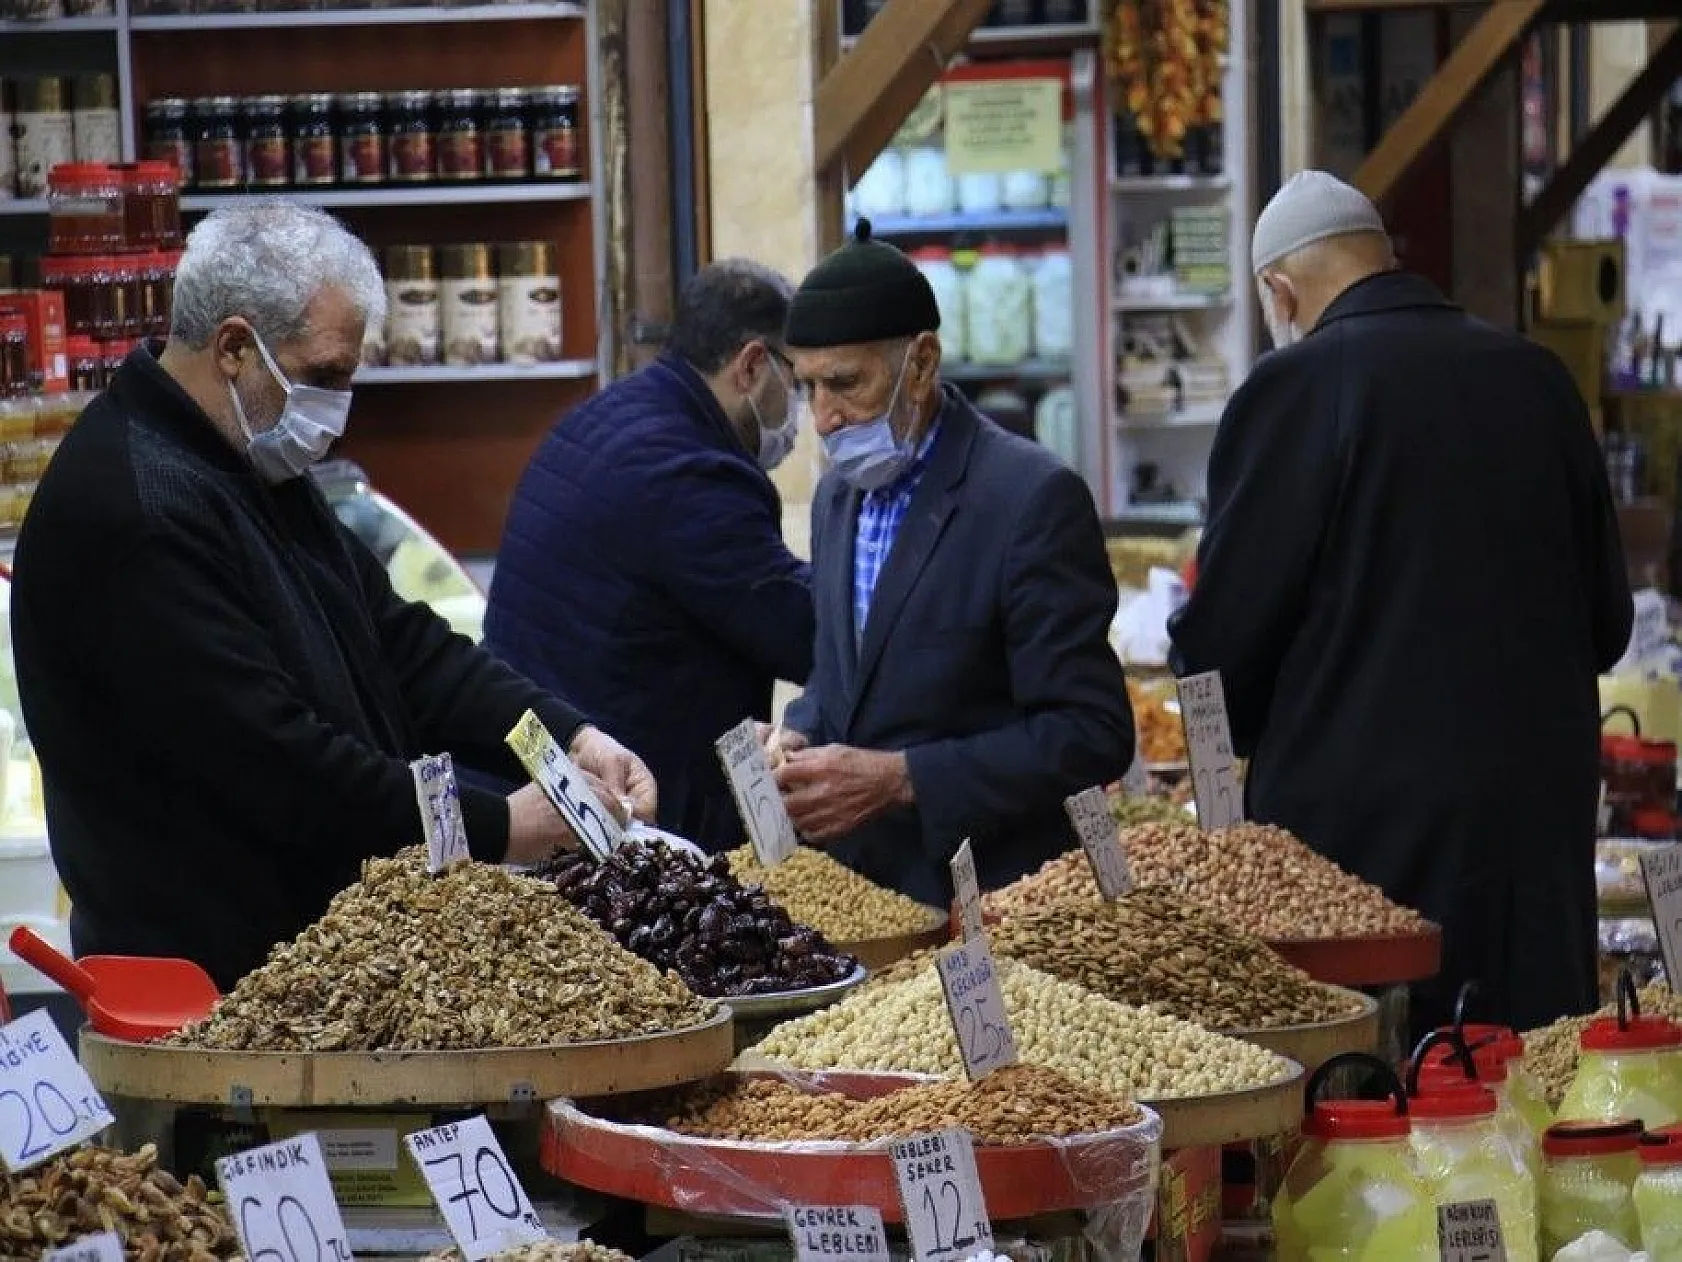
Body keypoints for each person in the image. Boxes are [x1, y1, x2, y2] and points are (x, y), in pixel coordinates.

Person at [11, 201, 655, 990]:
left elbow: (400, 644)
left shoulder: (246, 459)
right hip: (216, 987)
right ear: (235, 349)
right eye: (323, 376)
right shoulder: (138, 508)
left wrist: (564, 738)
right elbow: (280, 767)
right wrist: (499, 826)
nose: (338, 409)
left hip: (324, 958)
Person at [1168, 171, 1633, 1035]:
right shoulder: (1539, 379)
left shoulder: (1294, 390)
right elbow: (1610, 624)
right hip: (1534, 845)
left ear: (1279, 291)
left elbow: (1223, 650)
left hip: (1363, 864)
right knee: (1530, 1084)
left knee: (1388, 1091)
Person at [771, 220, 1135, 906]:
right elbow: (845, 673)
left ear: (922, 363)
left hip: (990, 901)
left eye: (846, 384)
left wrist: (905, 778)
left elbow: (1092, 733)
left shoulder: (1029, 498)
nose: (824, 418)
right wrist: (802, 730)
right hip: (866, 899)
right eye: (807, 388)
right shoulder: (835, 499)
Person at [485, 260, 813, 851]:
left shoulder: (609, 414)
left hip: (551, 763)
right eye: (802, 380)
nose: (808, 407)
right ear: (752, 365)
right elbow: (804, 632)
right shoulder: (694, 473)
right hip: (623, 802)